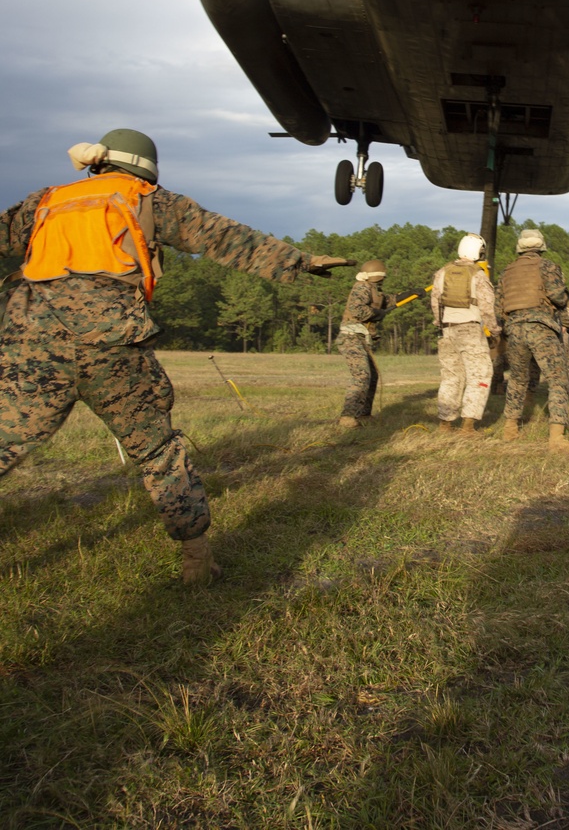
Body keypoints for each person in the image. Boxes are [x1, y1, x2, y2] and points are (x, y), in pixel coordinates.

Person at [0, 130, 354, 584]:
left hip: (32, 341)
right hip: (112, 343)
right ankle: (196, 562)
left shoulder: (45, 201)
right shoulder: (147, 198)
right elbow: (225, 237)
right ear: (146, 166)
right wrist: (300, 261)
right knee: (157, 450)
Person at [495, 229, 569, 452]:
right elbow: (558, 297)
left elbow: (498, 309)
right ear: (541, 246)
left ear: (520, 247)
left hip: (514, 330)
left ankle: (510, 429)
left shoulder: (506, 272)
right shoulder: (547, 266)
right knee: (558, 379)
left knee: (517, 380)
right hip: (541, 328)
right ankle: (557, 438)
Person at [430, 233, 499, 437]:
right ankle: (468, 426)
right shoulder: (478, 275)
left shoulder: (441, 273)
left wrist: (440, 323)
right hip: (470, 330)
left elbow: (435, 303)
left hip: (447, 331)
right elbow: (487, 308)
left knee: (451, 377)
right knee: (479, 376)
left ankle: (445, 424)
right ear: (478, 252)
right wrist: (495, 330)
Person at [335, 258, 408, 427]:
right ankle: (347, 416)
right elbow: (357, 309)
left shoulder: (373, 289)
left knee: (372, 376)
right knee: (362, 375)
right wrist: (376, 313)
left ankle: (363, 414)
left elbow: (388, 301)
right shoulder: (361, 288)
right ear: (378, 276)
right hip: (350, 337)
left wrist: (410, 294)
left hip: (361, 338)